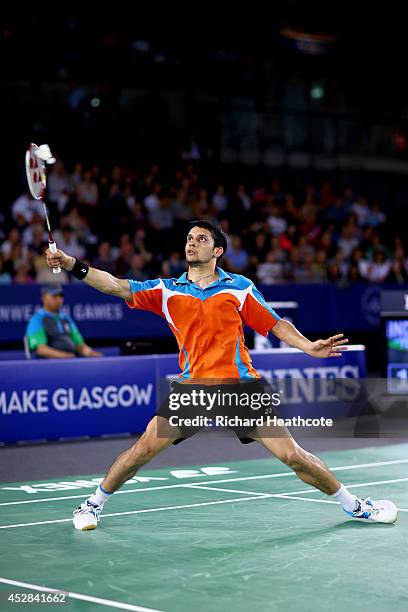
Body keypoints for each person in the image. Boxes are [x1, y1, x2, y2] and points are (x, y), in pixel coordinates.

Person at [46, 220, 398, 530]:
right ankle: (92, 504)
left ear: (218, 250)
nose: (191, 242)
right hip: (192, 390)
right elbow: (115, 285)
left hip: (241, 387)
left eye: (200, 238)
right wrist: (72, 264)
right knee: (140, 452)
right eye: (188, 238)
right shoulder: (166, 290)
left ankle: (355, 506)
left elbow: (274, 323)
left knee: (293, 456)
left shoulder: (238, 287)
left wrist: (307, 346)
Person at [25, 284, 103, 359]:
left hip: (71, 361)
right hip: (48, 365)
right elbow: (41, 350)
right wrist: (65, 356)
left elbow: (79, 344)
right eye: (54, 296)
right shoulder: (37, 320)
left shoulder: (66, 318)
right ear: (44, 298)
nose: (59, 299)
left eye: (61, 296)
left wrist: (89, 352)